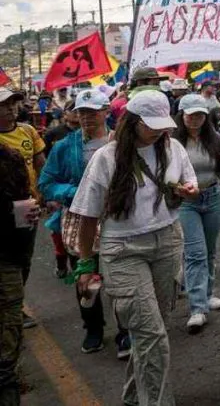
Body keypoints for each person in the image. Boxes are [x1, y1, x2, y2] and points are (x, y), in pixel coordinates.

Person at [69, 90, 199, 405]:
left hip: (167, 241)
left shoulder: (174, 147)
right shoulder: (107, 157)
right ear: (133, 122)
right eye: (150, 125)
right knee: (152, 336)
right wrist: (86, 265)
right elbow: (87, 216)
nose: (158, 131)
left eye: (161, 124)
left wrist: (186, 191)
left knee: (150, 335)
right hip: (122, 250)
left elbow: (190, 184)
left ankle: (132, 399)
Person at [38, 89, 132, 357]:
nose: (87, 117)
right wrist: (74, 193)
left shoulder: (122, 142)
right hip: (79, 220)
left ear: (106, 111)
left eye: (93, 111)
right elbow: (46, 182)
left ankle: (126, 330)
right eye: (82, 112)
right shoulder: (65, 147)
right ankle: (93, 328)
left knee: (121, 279)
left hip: (118, 219)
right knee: (86, 279)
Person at [173, 94, 220, 333]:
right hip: (186, 202)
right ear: (182, 115)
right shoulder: (172, 142)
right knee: (195, 253)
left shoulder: (215, 139)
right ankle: (197, 308)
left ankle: (208, 293)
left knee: (210, 250)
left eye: (200, 115)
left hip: (213, 197)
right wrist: (176, 188)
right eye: (191, 115)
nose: (196, 119)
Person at [0, 87, 46, 330]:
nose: (10, 109)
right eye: (4, 105)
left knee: (23, 258)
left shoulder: (28, 131)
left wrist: (43, 195)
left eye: (13, 104)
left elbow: (41, 164)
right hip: (3, 212)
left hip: (27, 208)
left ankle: (15, 306)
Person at [0, 143, 39, 406]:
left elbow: (23, 209)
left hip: (7, 261)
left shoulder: (8, 158)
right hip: (10, 260)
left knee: (6, 344)